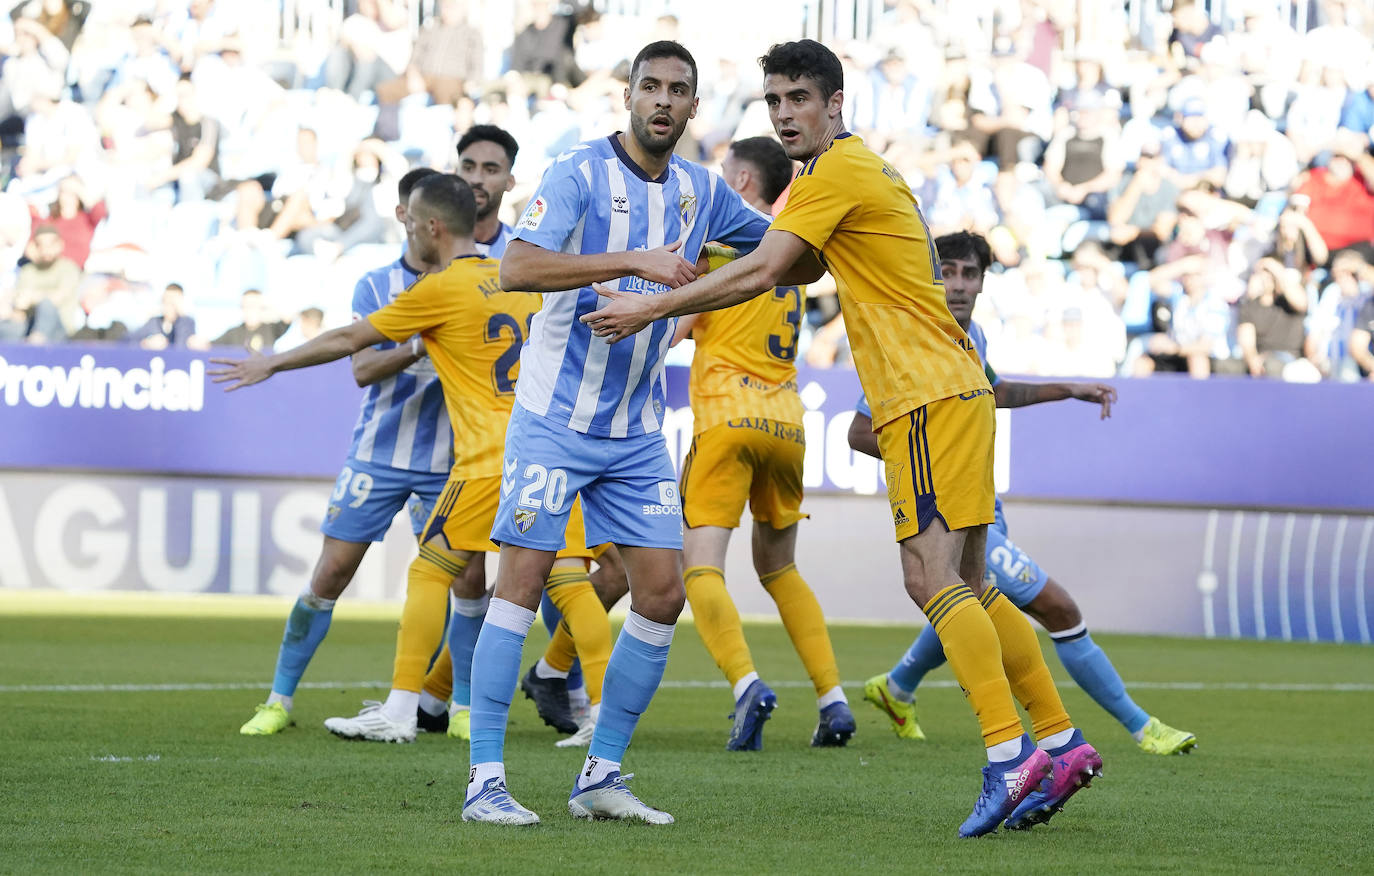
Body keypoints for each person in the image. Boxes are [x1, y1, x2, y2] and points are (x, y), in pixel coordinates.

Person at [582, 39, 1099, 838]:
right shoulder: (856, 171)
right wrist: (710, 257)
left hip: (923, 394)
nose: (786, 115)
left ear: (835, 104)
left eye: (798, 100)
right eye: (774, 103)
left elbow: (768, 271)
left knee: (929, 580)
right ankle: (1059, 742)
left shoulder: (831, 173)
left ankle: (1007, 756)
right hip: (954, 388)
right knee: (970, 579)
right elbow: (800, 269)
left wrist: (648, 303)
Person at [461, 40, 784, 827]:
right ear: (629, 95)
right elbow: (519, 269)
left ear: (695, 107)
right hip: (553, 418)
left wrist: (835, 222)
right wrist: (633, 260)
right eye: (651, 87)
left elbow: (785, 259)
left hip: (635, 430)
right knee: (522, 584)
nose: (663, 101)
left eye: (679, 90)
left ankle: (600, 773)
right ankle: (484, 783)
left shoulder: (705, 191)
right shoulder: (578, 173)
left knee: (664, 592)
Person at [217, 174, 606, 747]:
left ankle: (400, 709)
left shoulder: (440, 288)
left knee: (429, 571)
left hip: (484, 462)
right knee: (571, 580)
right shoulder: (521, 278)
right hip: (549, 455)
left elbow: (351, 340)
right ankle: (602, 717)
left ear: (431, 227)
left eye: (411, 223)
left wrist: (272, 363)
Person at [848, 230, 1196, 759]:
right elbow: (859, 431)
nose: (958, 285)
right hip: (941, 500)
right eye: (949, 272)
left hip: (981, 501)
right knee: (1054, 607)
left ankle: (898, 688)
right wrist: (932, 459)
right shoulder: (911, 335)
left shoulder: (974, 337)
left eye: (971, 274)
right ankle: (1129, 727)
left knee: (966, 597)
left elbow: (998, 391)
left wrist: (1069, 389)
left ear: (985, 282)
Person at [235, 167, 453, 736]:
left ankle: (461, 706)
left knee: (464, 582)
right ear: (403, 215)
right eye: (404, 207)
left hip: (451, 459)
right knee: (331, 572)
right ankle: (278, 699)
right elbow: (361, 366)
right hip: (379, 452)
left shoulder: (471, 279)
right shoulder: (377, 283)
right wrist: (423, 342)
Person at [674, 136, 853, 751]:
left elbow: (674, 330)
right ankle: (833, 700)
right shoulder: (793, 251)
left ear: (744, 183)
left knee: (697, 566)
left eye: (726, 175)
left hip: (726, 416)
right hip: (786, 420)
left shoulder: (720, 248)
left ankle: (747, 684)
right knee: (781, 568)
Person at [207, 289, 289, 352]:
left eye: (253, 306)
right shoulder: (233, 332)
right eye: (245, 306)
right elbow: (210, 345)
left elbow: (288, 318)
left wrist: (270, 308)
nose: (249, 311)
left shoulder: (271, 329)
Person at [129, 282, 197, 349]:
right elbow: (127, 339)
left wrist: (181, 314)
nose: (169, 305)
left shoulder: (187, 322)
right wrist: (146, 343)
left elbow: (180, 345)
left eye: (173, 302)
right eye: (166, 300)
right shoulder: (154, 322)